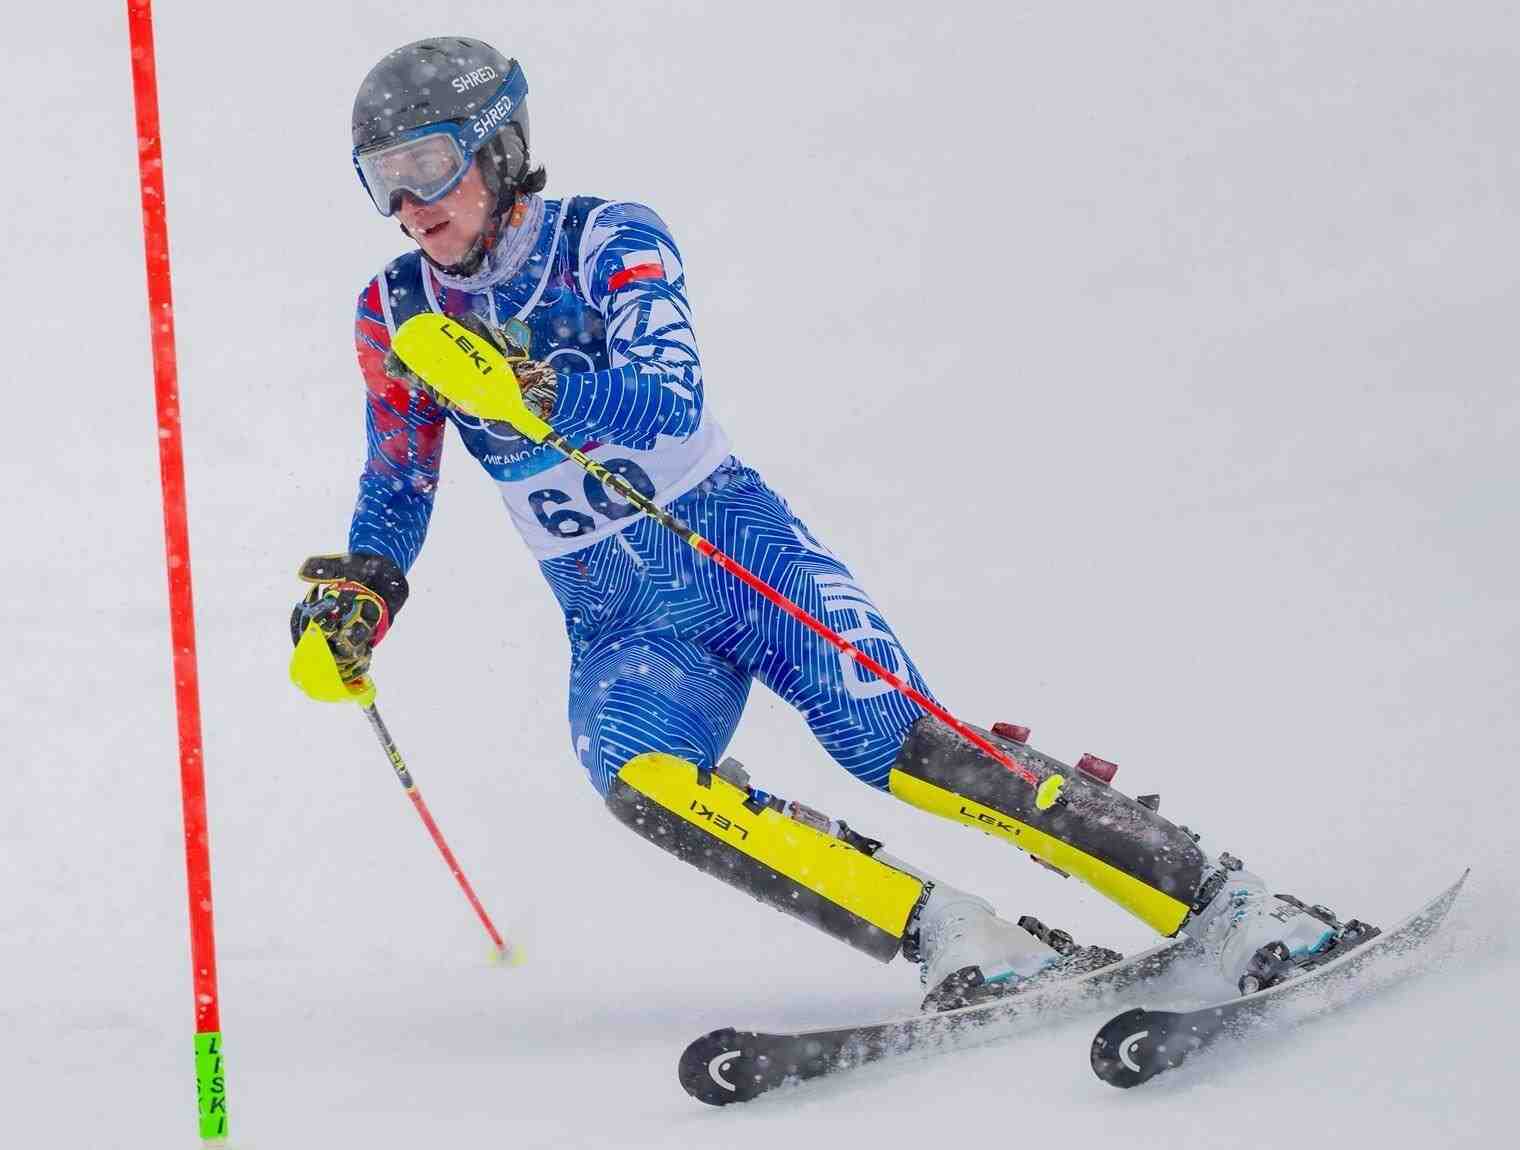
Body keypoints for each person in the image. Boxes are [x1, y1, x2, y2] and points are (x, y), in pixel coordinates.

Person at [293, 35, 1345, 1009]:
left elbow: (671, 397)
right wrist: (361, 592)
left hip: (732, 554)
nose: (409, 203)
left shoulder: (606, 237)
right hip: (618, 618)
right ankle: (952, 931)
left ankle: (1226, 899)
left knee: (895, 743)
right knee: (638, 776)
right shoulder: (394, 312)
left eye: (428, 164)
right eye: (381, 178)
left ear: (499, 146)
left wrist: (543, 394)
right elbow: (398, 476)